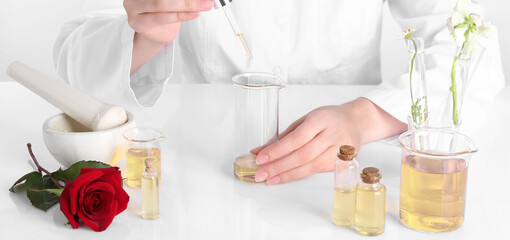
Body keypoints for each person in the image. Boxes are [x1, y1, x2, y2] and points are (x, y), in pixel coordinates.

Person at [53, 0, 505, 185]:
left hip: (343, 177)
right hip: (199, 174)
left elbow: (473, 45)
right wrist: (144, 34)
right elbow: (72, 69)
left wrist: (367, 117)